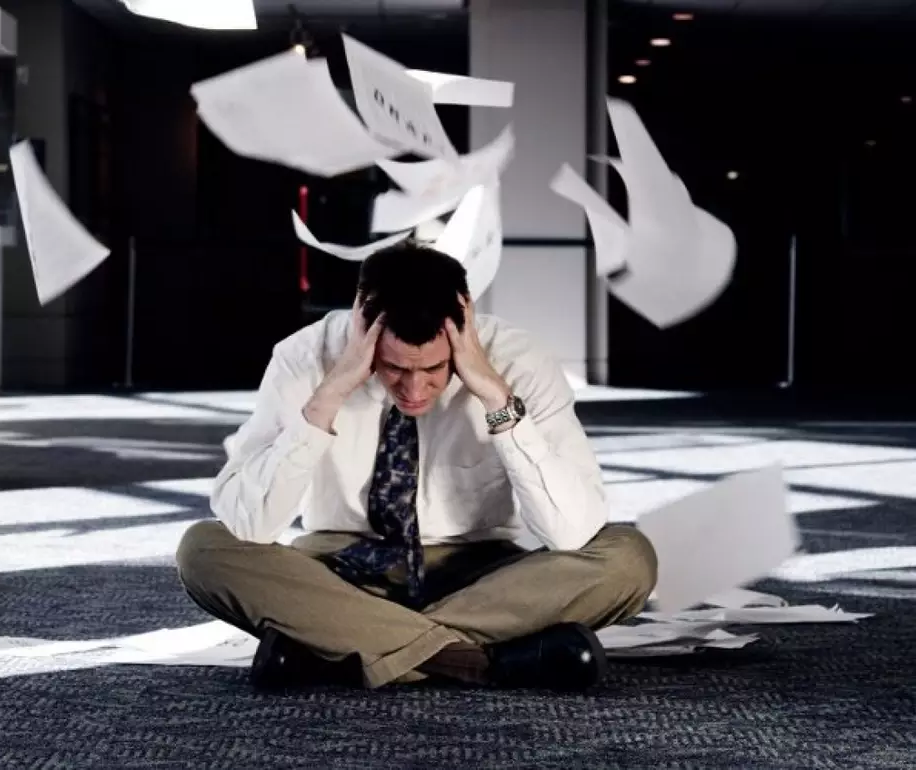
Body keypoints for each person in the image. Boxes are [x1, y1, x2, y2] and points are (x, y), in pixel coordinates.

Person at [176, 241, 657, 691]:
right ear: (362, 323)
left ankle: (334, 646)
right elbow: (251, 523)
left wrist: (497, 399)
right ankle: (481, 661)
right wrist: (329, 396)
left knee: (629, 558)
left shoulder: (520, 361)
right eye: (394, 369)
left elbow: (570, 531)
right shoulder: (302, 357)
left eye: (433, 369)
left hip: (483, 576)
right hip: (342, 569)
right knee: (204, 549)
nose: (413, 389)